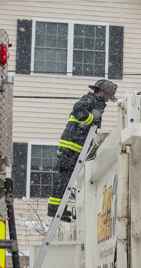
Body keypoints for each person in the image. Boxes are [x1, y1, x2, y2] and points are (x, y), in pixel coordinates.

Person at [47, 79, 117, 220]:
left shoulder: (96, 104)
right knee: (64, 178)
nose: (107, 101)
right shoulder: (89, 99)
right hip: (71, 148)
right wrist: (91, 120)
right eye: (107, 97)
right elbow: (78, 110)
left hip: (75, 148)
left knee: (66, 179)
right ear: (101, 93)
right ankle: (55, 209)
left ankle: (58, 209)